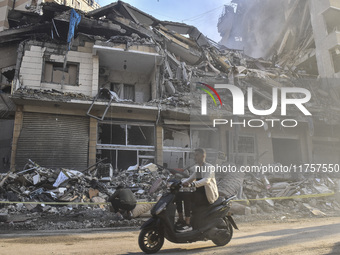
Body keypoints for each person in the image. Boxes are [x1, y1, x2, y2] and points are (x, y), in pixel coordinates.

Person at [177, 148, 219, 232]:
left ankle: (188, 224)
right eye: (194, 155)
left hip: (207, 196)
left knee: (187, 196)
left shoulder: (209, 167)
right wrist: (179, 183)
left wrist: (192, 184)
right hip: (199, 193)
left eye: (197, 155)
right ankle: (181, 219)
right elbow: (190, 179)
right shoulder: (198, 168)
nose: (195, 157)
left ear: (203, 156)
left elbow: (206, 180)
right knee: (178, 195)